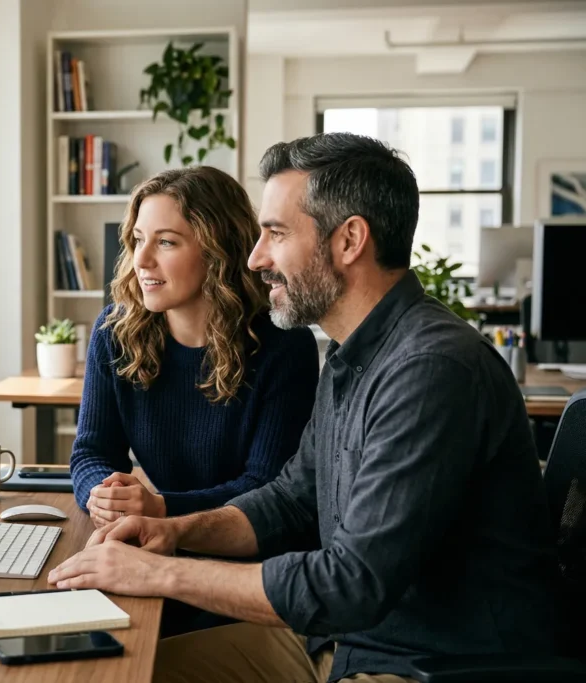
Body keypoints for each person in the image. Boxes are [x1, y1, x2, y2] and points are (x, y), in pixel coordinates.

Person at [49, 133, 557, 683]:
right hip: (346, 641)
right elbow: (292, 502)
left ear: (349, 241)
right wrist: (174, 530)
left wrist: (161, 574)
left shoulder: (431, 370)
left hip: (429, 663)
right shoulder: (351, 355)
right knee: (122, 675)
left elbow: (350, 584)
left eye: (276, 233)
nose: (255, 257)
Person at [70, 166, 318, 534]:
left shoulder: (284, 345)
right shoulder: (115, 332)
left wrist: (163, 507)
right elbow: (92, 452)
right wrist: (103, 495)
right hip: (158, 534)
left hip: (249, 551)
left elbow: (268, 486)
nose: (141, 260)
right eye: (138, 239)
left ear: (219, 251)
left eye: (166, 242)